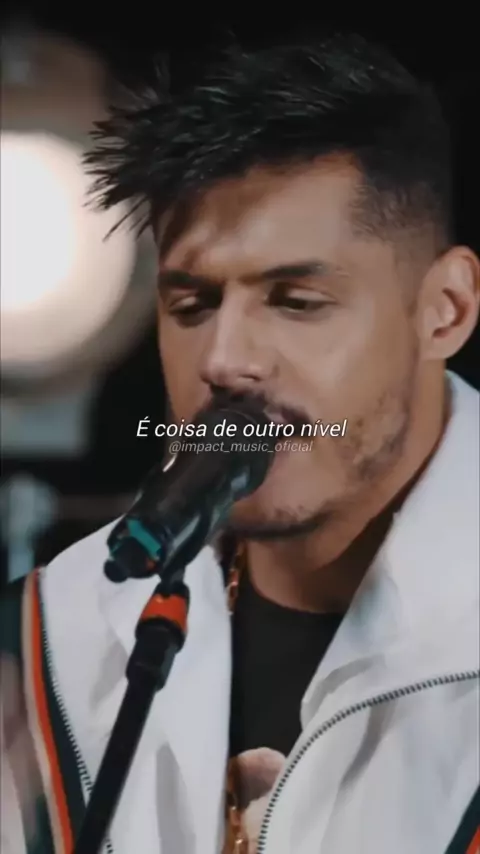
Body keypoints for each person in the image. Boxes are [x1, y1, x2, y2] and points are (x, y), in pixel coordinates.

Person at [1, 32, 479, 854]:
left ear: (445, 309)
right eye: (191, 305)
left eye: (296, 301)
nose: (224, 360)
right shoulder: (46, 639)